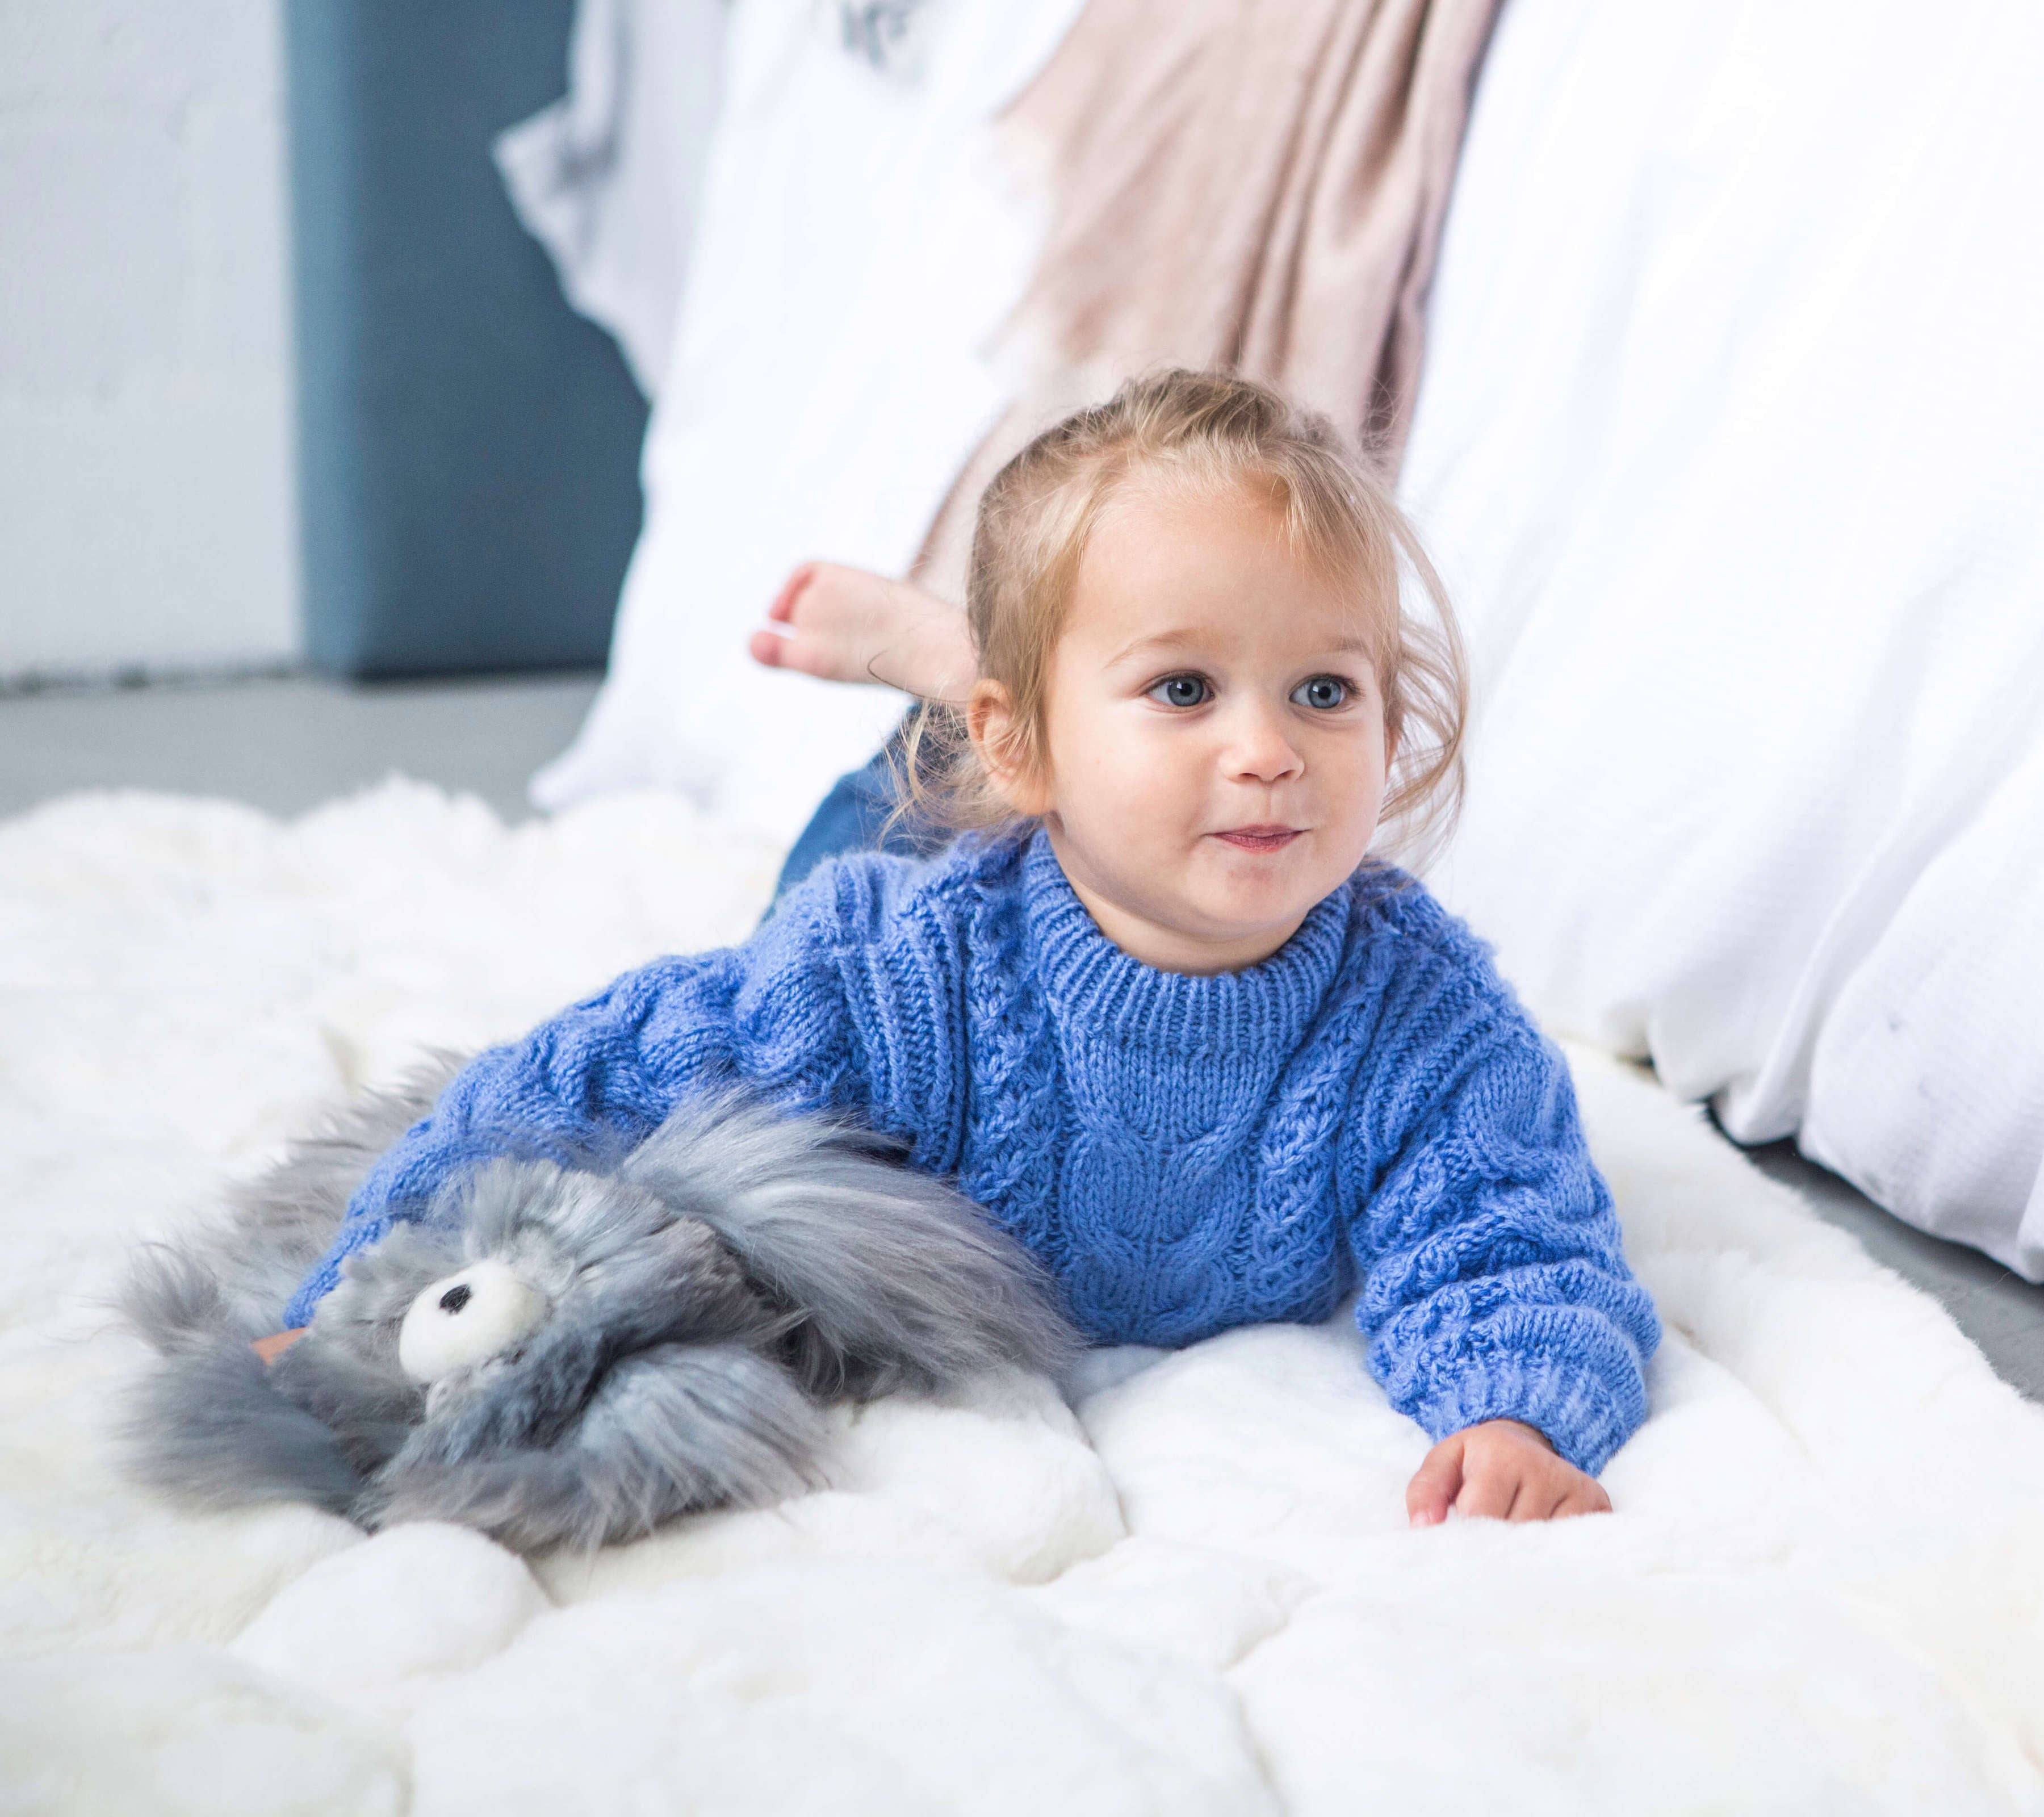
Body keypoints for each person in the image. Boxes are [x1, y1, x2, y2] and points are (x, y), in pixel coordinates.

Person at [270, 370, 1659, 1525]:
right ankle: (953, 689)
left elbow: (1514, 1233)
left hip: (1047, 769)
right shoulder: (894, 970)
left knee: (1076, 771)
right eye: (1186, 686)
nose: (1269, 751)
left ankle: (1015, 680)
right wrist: (351, 1286)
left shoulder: (1423, 1013)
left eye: (1324, 690)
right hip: (927, 860)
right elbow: (577, 1076)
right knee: (865, 845)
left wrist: (1514, 1409)